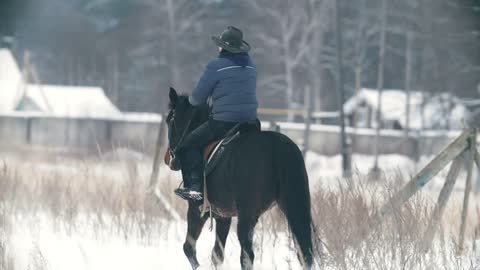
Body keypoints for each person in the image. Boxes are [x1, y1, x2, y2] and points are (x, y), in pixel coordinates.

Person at [174, 26, 258, 201]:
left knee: (187, 146)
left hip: (224, 122)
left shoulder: (216, 66)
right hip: (252, 123)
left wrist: (189, 101)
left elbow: (197, 99)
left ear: (224, 47)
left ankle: (195, 189)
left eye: (220, 45)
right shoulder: (251, 66)